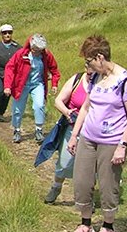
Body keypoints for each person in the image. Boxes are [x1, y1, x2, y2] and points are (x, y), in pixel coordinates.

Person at [66, 35, 127, 232]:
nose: (87, 67)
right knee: (82, 181)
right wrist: (74, 135)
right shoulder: (96, 79)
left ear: (99, 58)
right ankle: (85, 223)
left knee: (108, 185)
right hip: (88, 138)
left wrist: (122, 146)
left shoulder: (125, 81)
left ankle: (108, 226)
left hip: (111, 141)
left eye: (88, 62)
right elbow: (86, 107)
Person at [37, 70, 91, 204]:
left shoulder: (103, 84)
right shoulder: (77, 79)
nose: (89, 71)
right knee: (65, 162)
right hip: (72, 126)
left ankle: (86, 198)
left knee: (89, 166)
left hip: (92, 131)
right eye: (87, 66)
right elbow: (58, 101)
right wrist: (67, 112)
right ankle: (56, 186)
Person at [4, 33, 60, 144]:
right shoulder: (20, 54)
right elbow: (9, 68)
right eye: (34, 49)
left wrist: (54, 84)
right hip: (21, 85)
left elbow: (54, 70)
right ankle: (17, 130)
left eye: (38, 50)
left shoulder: (46, 55)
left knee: (39, 105)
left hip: (37, 84)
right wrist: (7, 86)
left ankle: (39, 130)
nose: (36, 52)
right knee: (17, 109)